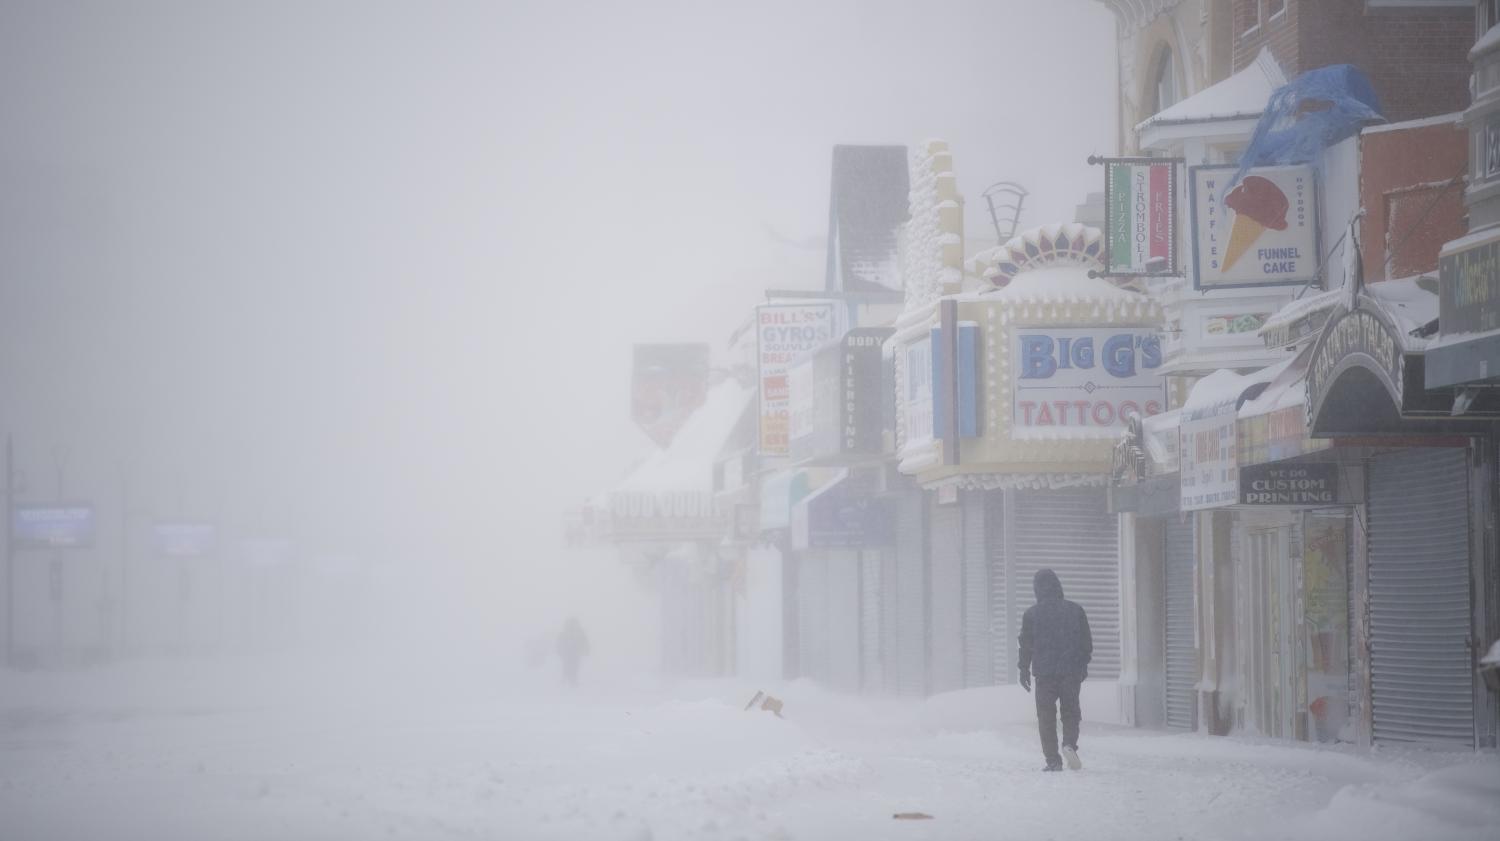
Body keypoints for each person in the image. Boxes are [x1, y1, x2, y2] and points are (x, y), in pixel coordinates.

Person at [1018, 568, 1092, 772]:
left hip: (1045, 673)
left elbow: (1026, 645)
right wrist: (1083, 664)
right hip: (1070, 672)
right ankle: (1069, 743)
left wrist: (1023, 669)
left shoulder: (1031, 614)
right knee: (1070, 712)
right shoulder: (1075, 610)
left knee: (1046, 716)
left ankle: (1052, 760)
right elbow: (1086, 642)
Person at [556, 617, 590, 686]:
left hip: (570, 653)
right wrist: (586, 650)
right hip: (573, 653)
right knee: (572, 667)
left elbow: (559, 642)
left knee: (569, 666)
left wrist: (559, 650)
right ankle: (571, 681)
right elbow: (584, 642)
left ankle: (568, 680)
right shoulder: (578, 632)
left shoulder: (566, 632)